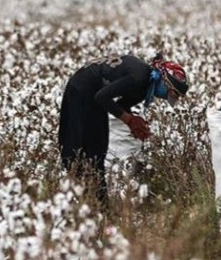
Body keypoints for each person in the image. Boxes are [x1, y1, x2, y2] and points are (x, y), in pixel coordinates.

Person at [58, 53, 189, 205]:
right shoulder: (140, 77)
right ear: (165, 82)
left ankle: (97, 202)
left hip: (91, 93)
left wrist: (133, 122)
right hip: (81, 90)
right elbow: (102, 97)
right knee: (85, 148)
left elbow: (120, 106)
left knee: (98, 149)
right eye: (173, 93)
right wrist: (130, 120)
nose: (170, 98)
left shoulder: (143, 86)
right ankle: (86, 199)